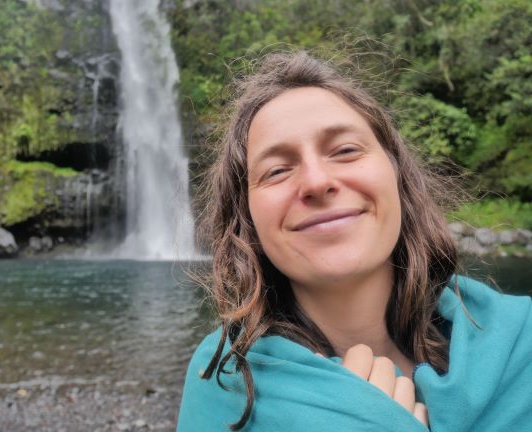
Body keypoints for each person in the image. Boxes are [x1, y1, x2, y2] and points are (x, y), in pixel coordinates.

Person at [177, 51, 532, 431]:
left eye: (345, 150)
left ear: (398, 175)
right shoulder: (221, 383)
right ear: (246, 220)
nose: (316, 182)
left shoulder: (521, 343)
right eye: (278, 170)